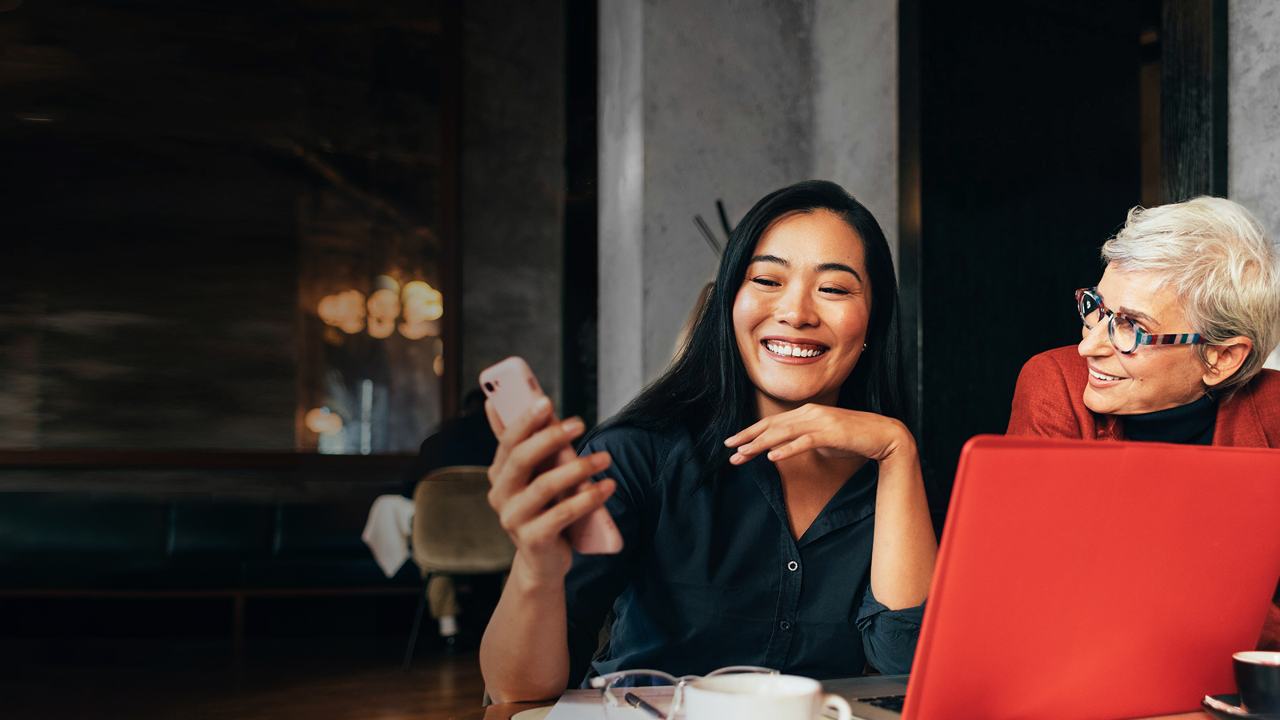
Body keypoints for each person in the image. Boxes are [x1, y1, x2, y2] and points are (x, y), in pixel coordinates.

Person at [478, 180, 937, 702]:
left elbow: (908, 673)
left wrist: (897, 452)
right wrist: (536, 568)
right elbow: (516, 693)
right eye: (766, 279)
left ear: (873, 320)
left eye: (833, 289)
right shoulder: (638, 454)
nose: (797, 312)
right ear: (728, 304)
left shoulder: (893, 479)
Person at [1007, 195, 1280, 651]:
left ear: (1221, 358)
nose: (1088, 347)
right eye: (1096, 308)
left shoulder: (1274, 412)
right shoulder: (1055, 385)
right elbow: (1046, 590)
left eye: (1131, 326)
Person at [402, 387, 499, 647]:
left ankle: (448, 626)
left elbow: (408, 489)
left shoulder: (436, 442)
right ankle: (501, 625)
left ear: (465, 410)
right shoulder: (509, 444)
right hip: (499, 545)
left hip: (442, 543)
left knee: (431, 550)